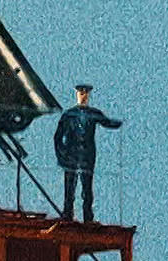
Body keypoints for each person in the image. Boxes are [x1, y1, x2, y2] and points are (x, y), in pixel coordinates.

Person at [52, 84, 122, 222]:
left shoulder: (93, 113)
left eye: (86, 94)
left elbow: (107, 122)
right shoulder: (69, 115)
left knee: (87, 188)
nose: (83, 96)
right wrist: (61, 155)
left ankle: (87, 217)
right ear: (77, 95)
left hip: (87, 155)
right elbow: (58, 136)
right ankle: (68, 214)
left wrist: (121, 122)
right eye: (81, 94)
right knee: (69, 186)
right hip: (71, 155)